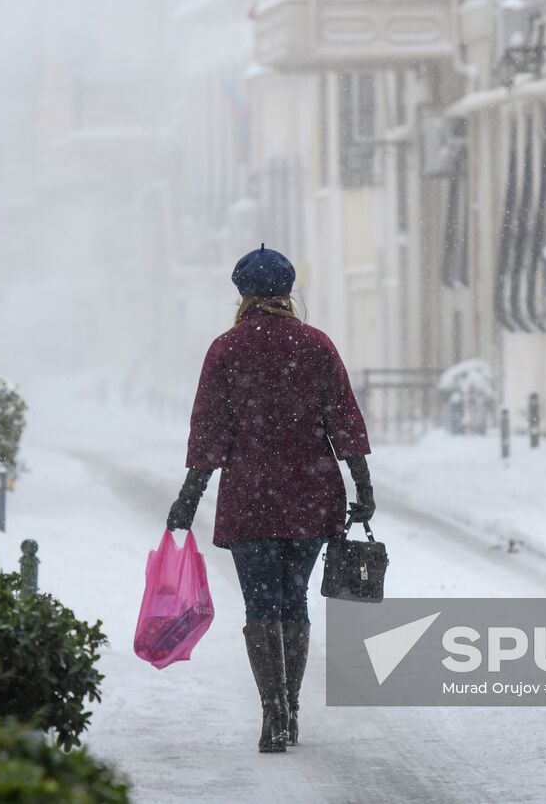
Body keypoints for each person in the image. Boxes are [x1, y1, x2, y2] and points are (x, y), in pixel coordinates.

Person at [166, 245, 376, 754]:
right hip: (311, 493)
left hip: (250, 498)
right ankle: (293, 708)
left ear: (242, 294)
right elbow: (344, 420)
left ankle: (273, 713)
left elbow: (209, 434)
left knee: (261, 603)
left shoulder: (226, 349)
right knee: (294, 600)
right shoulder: (316, 345)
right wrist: (362, 487)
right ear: (288, 292)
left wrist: (188, 499)